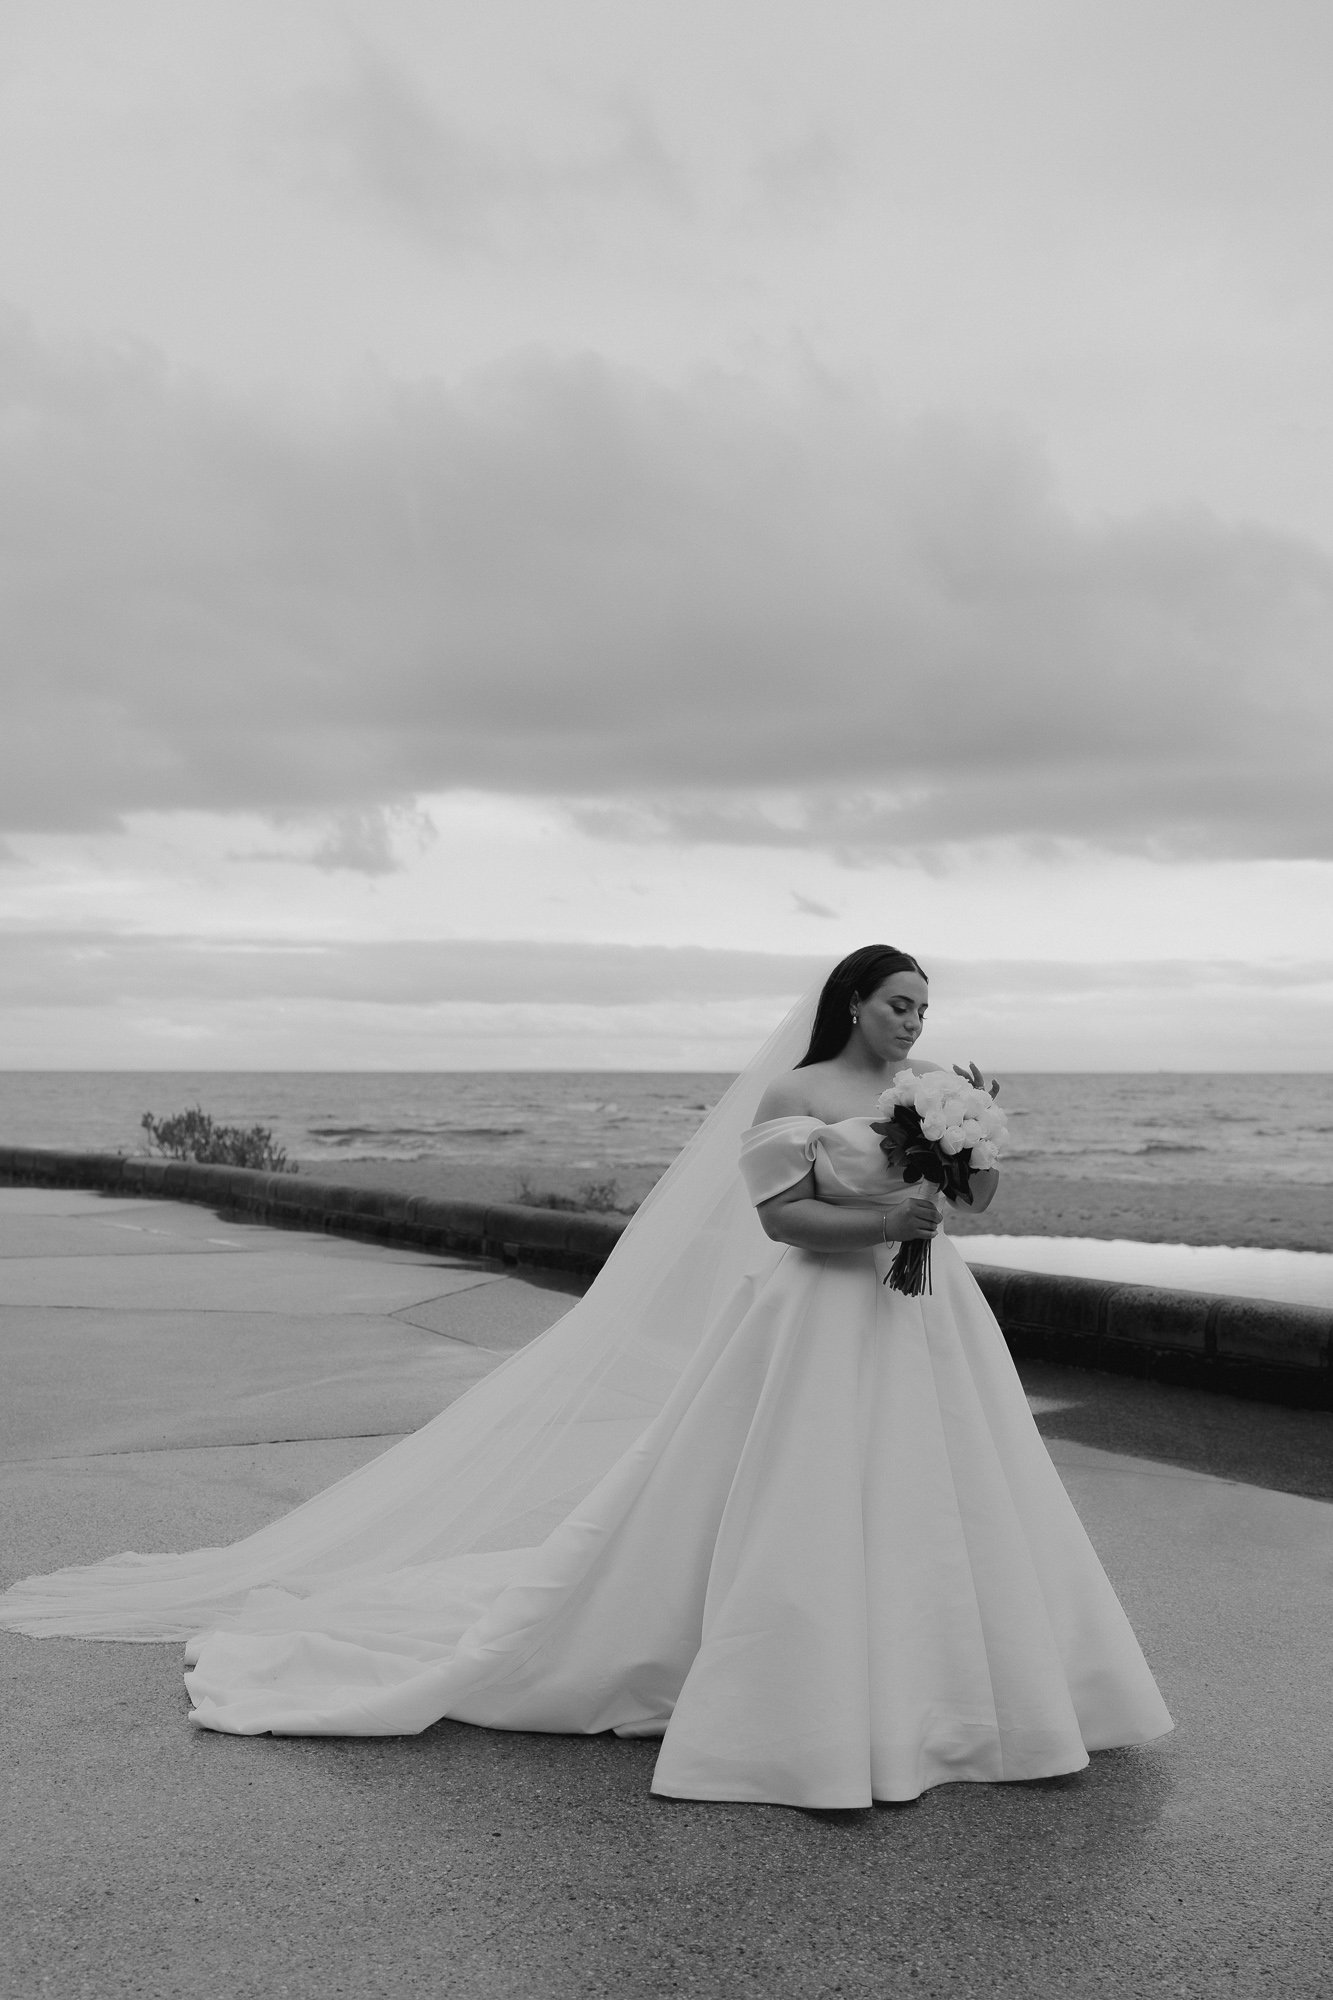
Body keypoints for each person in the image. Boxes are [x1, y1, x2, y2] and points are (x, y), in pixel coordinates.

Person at [0, 946, 1171, 1807]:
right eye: (897, 1002)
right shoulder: (796, 1095)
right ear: (851, 1003)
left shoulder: (930, 1098)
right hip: (818, 1315)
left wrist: (964, 1163)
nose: (914, 1022)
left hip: (930, 1320)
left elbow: (970, 1208)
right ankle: (803, 1700)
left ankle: (959, 1689)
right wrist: (888, 1203)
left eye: (925, 1006)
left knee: (950, 1499)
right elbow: (780, 1222)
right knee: (803, 1492)